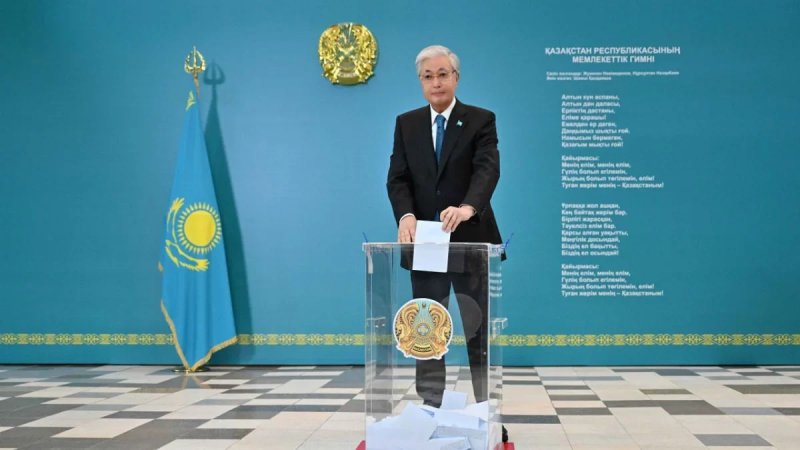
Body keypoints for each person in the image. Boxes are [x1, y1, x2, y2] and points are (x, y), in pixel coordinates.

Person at [386, 45, 507, 442]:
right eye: (428, 76)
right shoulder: (406, 123)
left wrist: (468, 207)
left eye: (442, 74)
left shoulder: (480, 120)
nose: (436, 82)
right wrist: (405, 216)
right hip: (426, 244)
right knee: (426, 332)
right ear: (420, 82)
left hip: (472, 243)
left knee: (477, 332)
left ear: (456, 77)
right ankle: (430, 411)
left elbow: (487, 169)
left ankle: (486, 412)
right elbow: (398, 178)